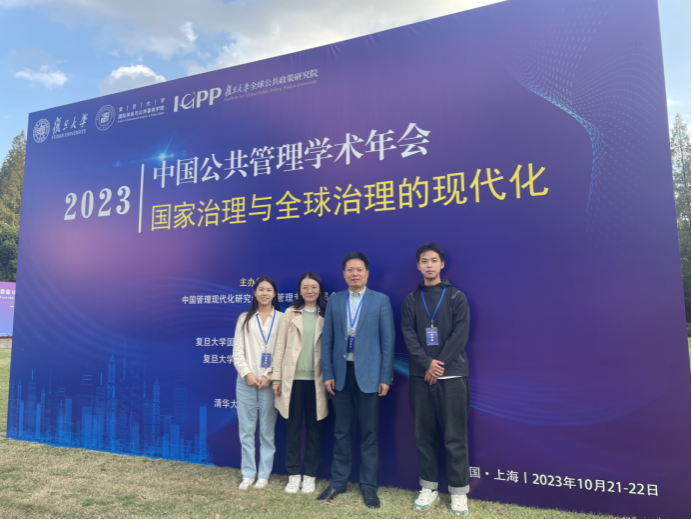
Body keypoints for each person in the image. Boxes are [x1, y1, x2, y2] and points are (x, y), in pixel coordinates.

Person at [317, 252, 396, 510]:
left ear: (367, 273)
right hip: (341, 376)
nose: (355, 273)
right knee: (341, 432)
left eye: (359, 269)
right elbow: (327, 339)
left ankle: (368, 486)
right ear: (344, 274)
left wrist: (384, 376)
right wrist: (328, 373)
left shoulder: (380, 300)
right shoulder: (335, 300)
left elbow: (388, 341)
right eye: (350, 269)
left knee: (369, 434)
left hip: (369, 377)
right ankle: (338, 482)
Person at [401, 243, 471, 516]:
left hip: (452, 376)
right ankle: (429, 488)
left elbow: (461, 334)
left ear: (442, 264)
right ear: (418, 266)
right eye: (424, 261)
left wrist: (437, 365)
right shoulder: (411, 300)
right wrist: (426, 363)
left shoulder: (456, 297)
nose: (429, 265)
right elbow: (409, 336)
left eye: (433, 260)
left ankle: (459, 492)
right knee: (424, 436)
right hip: (421, 377)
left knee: (455, 437)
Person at [272, 272, 329, 494]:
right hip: (293, 381)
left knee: (315, 430)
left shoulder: (327, 312)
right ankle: (294, 475)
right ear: (300, 290)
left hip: (318, 381)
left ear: (319, 289)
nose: (309, 291)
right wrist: (277, 377)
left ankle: (310, 476)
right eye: (305, 287)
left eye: (313, 287)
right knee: (293, 430)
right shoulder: (290, 312)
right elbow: (280, 346)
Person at [233, 277, 284, 491]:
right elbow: (238, 351)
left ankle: (263, 475)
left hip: (270, 382)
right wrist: (247, 374)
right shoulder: (244, 318)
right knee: (246, 430)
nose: (264, 293)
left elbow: (283, 351)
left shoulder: (282, 318)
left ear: (274, 294)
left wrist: (270, 375)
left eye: (269, 290)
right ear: (254, 293)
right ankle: (248, 474)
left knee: (267, 431)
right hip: (246, 381)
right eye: (260, 289)